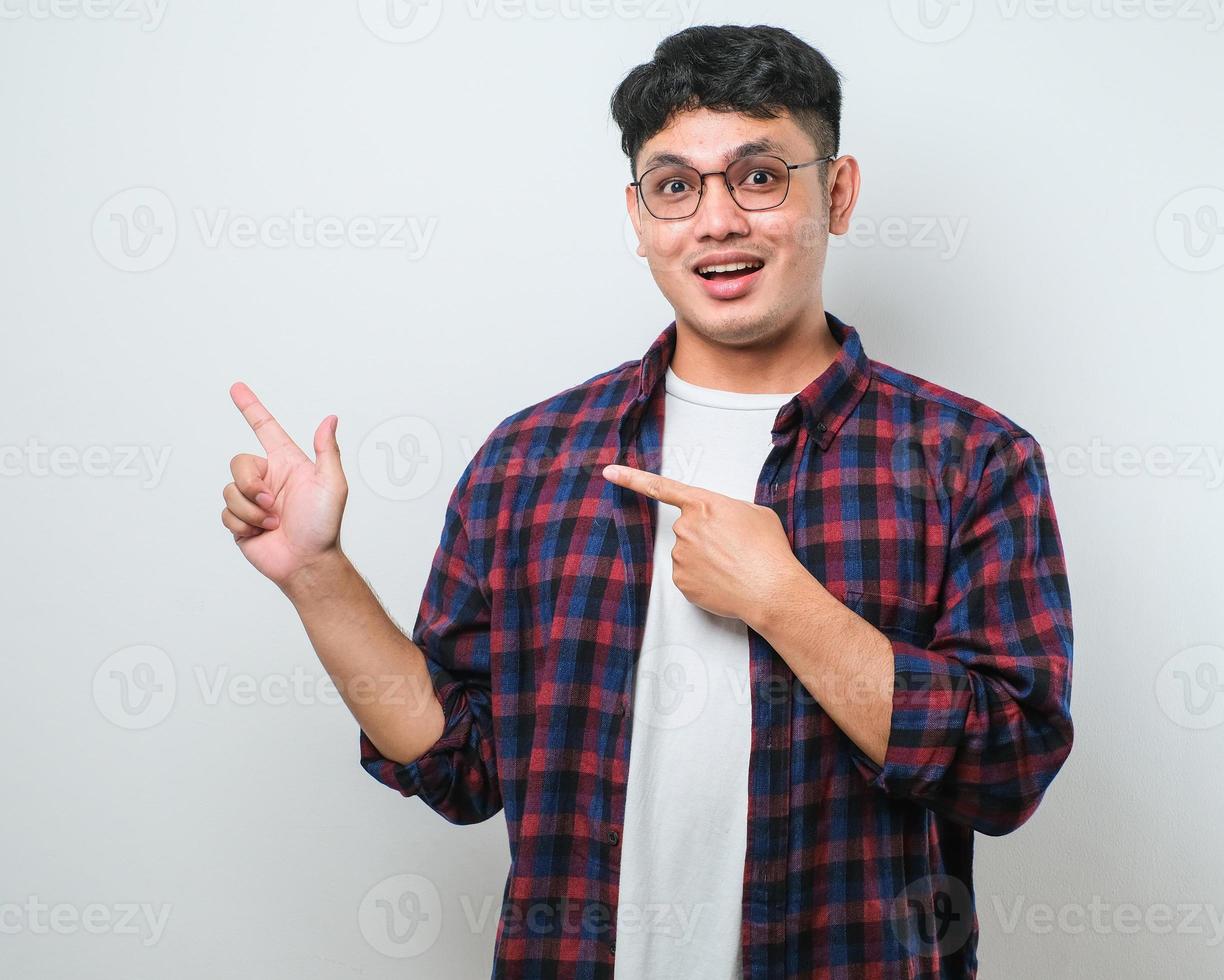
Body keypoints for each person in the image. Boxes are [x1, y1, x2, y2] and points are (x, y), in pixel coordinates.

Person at [220, 24, 1074, 980]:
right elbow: (460, 765)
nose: (717, 221)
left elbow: (1008, 770)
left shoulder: (969, 460)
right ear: (638, 216)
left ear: (836, 194)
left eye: (759, 176)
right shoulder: (531, 459)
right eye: (676, 186)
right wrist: (316, 576)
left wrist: (783, 600)